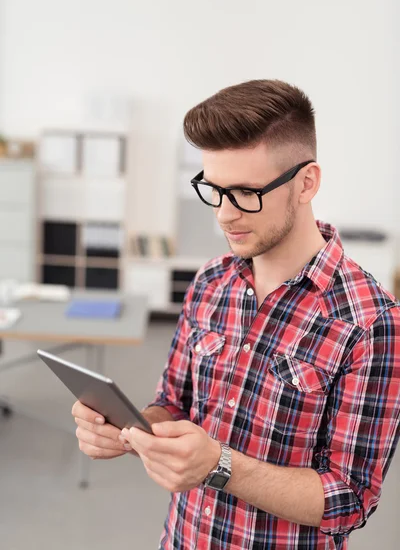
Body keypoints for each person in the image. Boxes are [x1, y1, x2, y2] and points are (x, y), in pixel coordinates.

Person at [72, 80, 400, 550]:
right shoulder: (210, 282)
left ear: (307, 182)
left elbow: (349, 499)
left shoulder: (371, 323)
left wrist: (218, 465)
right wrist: (128, 430)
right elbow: (175, 402)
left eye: (246, 192)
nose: (225, 215)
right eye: (215, 190)